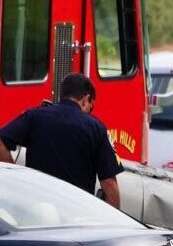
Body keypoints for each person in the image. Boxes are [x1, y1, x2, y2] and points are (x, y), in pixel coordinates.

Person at [0, 73, 122, 208]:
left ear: (61, 95)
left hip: (34, 207)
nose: (89, 112)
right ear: (86, 99)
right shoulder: (96, 128)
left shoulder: (34, 116)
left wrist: (17, 177)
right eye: (90, 107)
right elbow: (109, 184)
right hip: (75, 212)